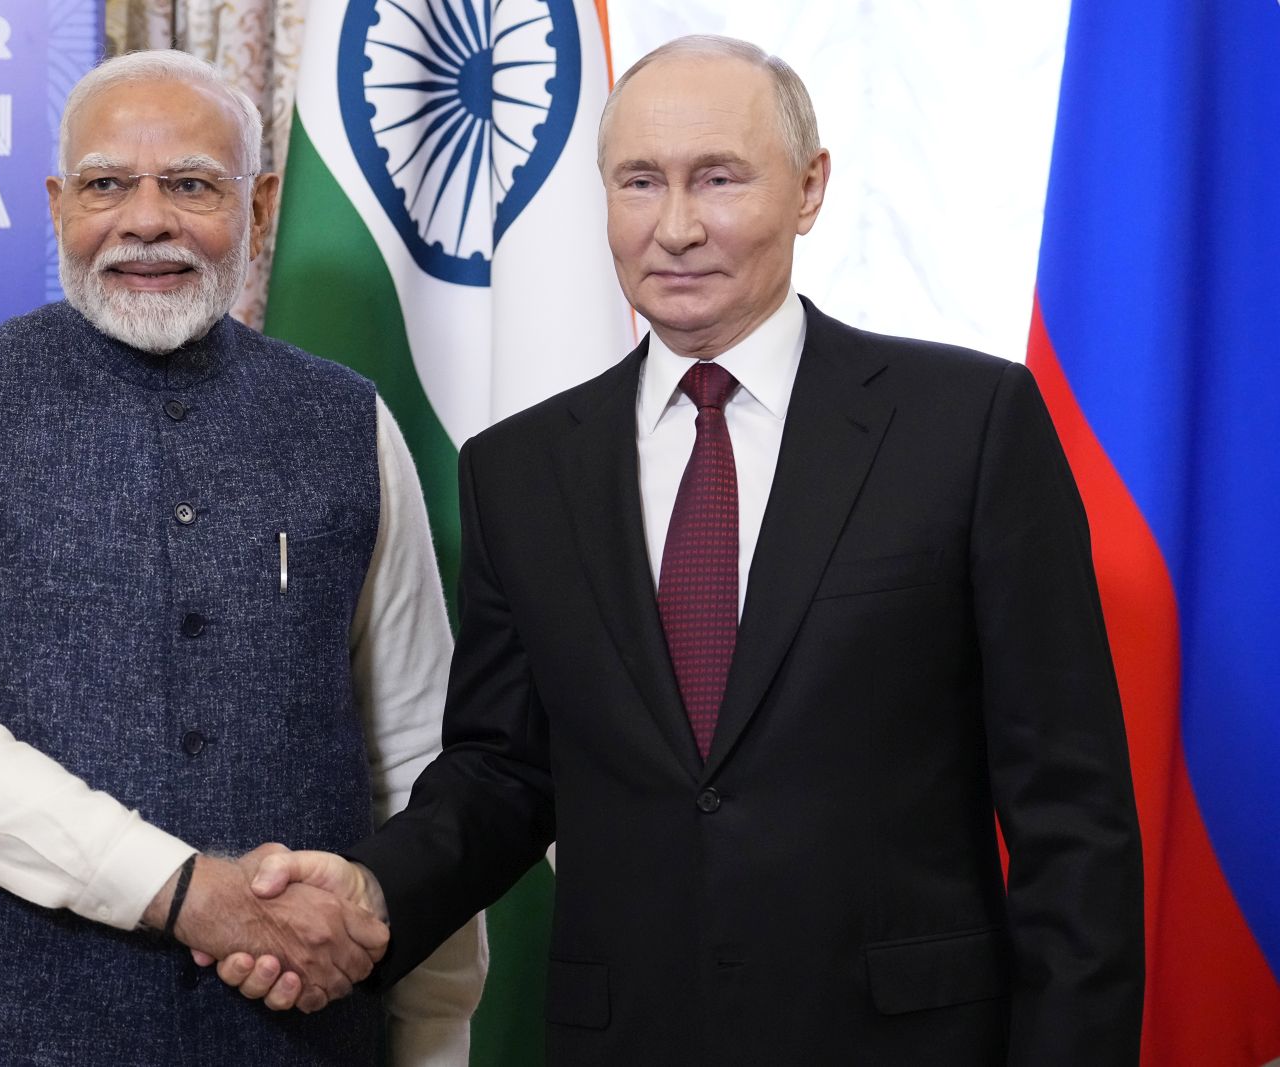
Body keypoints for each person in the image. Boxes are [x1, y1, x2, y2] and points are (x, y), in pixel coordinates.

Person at [224, 34, 1145, 1064]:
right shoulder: (519, 469)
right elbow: (503, 771)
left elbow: (1072, 813)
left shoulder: (966, 424)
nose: (674, 227)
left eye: (716, 178)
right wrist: (375, 889)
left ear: (808, 189)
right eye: (638, 182)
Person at [0, 49, 483, 1067]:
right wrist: (189, 893)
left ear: (259, 210)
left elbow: (416, 750)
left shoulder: (350, 419)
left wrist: (434, 1032)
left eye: (191, 185)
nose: (145, 220)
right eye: (106, 184)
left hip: (290, 1037)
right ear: (57, 204)